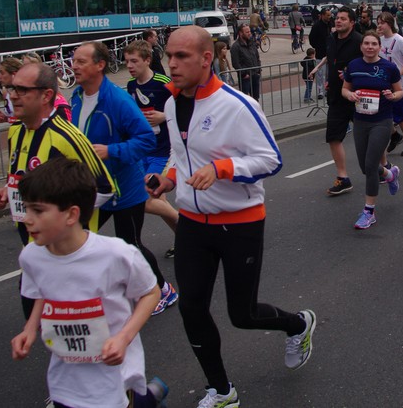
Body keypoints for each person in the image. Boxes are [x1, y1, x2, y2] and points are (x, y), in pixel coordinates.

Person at [149, 26, 317, 408]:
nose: (171, 64)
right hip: (192, 223)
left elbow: (270, 159)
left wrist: (222, 168)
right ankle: (222, 391)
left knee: (242, 314)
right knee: (191, 308)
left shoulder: (238, 105)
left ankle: (298, 324)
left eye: (181, 57)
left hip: (239, 223)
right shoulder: (172, 104)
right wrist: (168, 178)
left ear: (206, 58)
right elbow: (180, 152)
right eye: (169, 56)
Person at [11, 158, 166, 408]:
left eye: (37, 211)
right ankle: (149, 397)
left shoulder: (116, 254)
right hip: (64, 378)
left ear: (72, 214)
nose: (27, 219)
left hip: (114, 373)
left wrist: (124, 338)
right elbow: (40, 292)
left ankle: (147, 398)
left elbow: (151, 293)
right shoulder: (31, 256)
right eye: (26, 209)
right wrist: (29, 329)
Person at [0, 62, 116, 318]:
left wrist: (66, 223)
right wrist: (7, 190)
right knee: (38, 319)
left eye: (22, 90)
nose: (13, 95)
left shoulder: (67, 137)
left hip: (67, 254)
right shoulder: (15, 131)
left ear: (46, 95)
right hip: (33, 247)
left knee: (78, 325)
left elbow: (105, 188)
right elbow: (23, 175)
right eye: (12, 88)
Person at [70, 42, 174, 316]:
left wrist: (111, 151)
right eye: (73, 60)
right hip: (95, 188)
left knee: (131, 243)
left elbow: (145, 139)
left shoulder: (117, 100)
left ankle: (163, 289)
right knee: (79, 238)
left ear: (99, 65)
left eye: (81, 61)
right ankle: (95, 292)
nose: (74, 66)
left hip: (125, 190)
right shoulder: (76, 97)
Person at [124, 39, 182, 282]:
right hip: (144, 152)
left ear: (147, 60)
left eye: (134, 61)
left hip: (164, 152)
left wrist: (164, 116)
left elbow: (186, 106)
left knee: (147, 199)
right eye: (127, 62)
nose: (130, 66)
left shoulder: (162, 82)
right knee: (159, 200)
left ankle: (189, 233)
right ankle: (184, 240)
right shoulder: (130, 86)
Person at [342, 31, 403, 229]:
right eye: (366, 43)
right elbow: (345, 88)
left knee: (370, 166)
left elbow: (399, 91)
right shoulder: (354, 65)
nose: (370, 47)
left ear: (379, 47)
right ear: (361, 47)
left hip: (382, 121)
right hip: (360, 121)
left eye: (374, 44)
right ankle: (389, 174)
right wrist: (350, 95)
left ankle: (369, 212)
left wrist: (393, 96)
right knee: (364, 167)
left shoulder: (389, 67)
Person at [310, 7, 363, 196]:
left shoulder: (360, 41)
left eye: (343, 18)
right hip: (336, 96)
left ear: (352, 23)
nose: (338, 21)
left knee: (366, 138)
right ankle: (343, 177)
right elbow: (332, 61)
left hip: (357, 96)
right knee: (333, 137)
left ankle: (383, 167)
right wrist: (329, 80)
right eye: (337, 18)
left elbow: (370, 63)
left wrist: (352, 74)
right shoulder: (331, 39)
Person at [378, 12, 403, 157]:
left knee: (399, 117)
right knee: (383, 114)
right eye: (378, 23)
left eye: (382, 23)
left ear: (389, 23)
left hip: (400, 84)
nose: (379, 25)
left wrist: (398, 73)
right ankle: (395, 136)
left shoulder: (399, 40)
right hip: (384, 83)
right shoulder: (379, 40)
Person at [230, 25, 262, 100]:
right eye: (247, 32)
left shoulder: (252, 43)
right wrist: (244, 74)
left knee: (255, 98)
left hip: (255, 74)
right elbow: (235, 63)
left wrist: (258, 70)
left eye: (249, 31)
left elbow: (257, 57)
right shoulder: (235, 47)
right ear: (241, 33)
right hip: (245, 77)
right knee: (245, 99)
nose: (249, 33)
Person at [309, 7, 333, 100]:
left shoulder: (330, 24)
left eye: (330, 15)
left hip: (330, 53)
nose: (329, 17)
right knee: (320, 74)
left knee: (328, 73)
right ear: (322, 15)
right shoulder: (316, 26)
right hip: (320, 53)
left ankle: (327, 89)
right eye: (327, 15)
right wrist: (317, 46)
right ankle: (320, 91)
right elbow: (311, 38)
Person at [0, 56, 23, 124]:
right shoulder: (6, 92)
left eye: (2, 73)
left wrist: (8, 119)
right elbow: (17, 120)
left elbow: (27, 120)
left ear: (14, 74)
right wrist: (6, 119)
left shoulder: (26, 93)